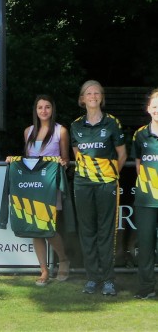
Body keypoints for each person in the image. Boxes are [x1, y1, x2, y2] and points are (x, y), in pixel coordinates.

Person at [6, 95, 71, 286]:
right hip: (32, 186)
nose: (44, 111)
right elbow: (27, 162)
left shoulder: (61, 131)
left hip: (50, 185)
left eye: (47, 107)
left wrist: (62, 162)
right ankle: (44, 270)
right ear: (35, 110)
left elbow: (66, 159)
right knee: (36, 229)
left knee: (48, 228)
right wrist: (13, 160)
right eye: (40, 107)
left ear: (53, 109)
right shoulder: (28, 131)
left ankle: (64, 259)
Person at [71, 80, 126, 296]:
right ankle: (92, 278)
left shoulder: (113, 123)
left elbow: (122, 154)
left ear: (101, 98)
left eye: (97, 93)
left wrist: (111, 175)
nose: (93, 96)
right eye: (88, 93)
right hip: (83, 184)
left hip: (106, 184)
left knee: (106, 231)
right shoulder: (75, 125)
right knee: (87, 231)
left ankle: (108, 279)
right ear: (82, 99)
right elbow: (78, 156)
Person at [131, 88, 158, 299]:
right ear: (149, 109)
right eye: (155, 106)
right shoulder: (140, 134)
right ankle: (146, 288)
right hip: (146, 199)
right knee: (146, 245)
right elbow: (139, 167)